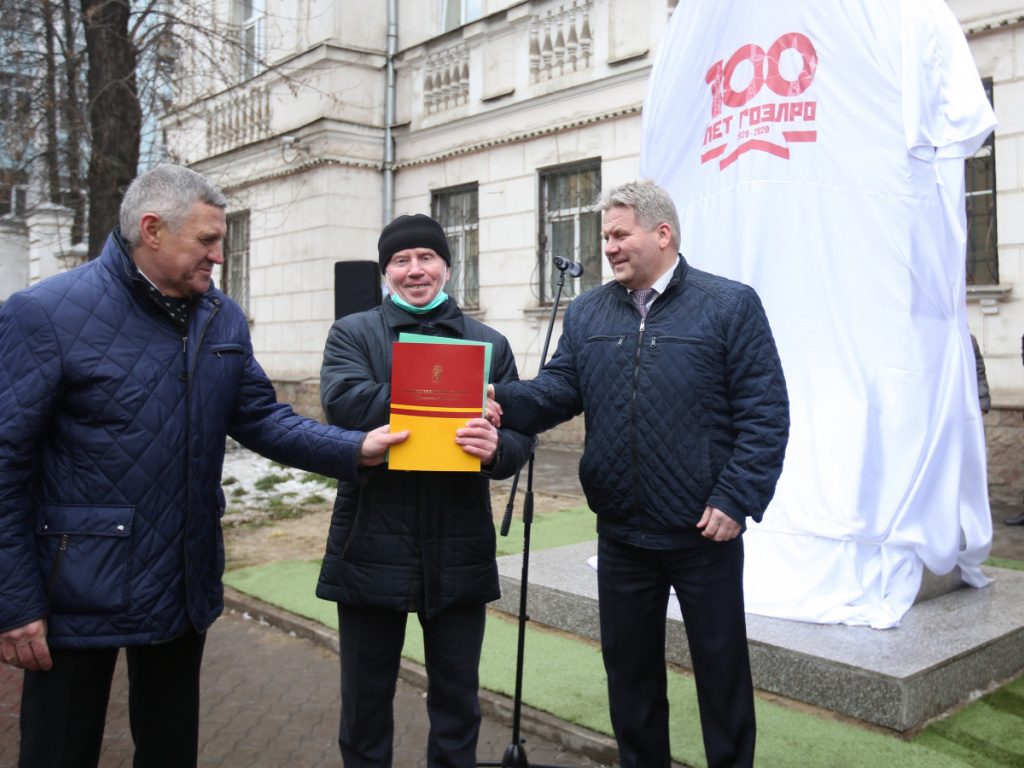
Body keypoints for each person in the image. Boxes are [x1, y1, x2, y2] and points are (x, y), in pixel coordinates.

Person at [0, 164, 406, 768]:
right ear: (152, 230)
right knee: (60, 751)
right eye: (207, 240)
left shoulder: (219, 315)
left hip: (179, 582)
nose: (219, 254)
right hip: (74, 592)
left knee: (170, 751)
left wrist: (354, 448)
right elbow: (6, 466)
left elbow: (263, 418)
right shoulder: (47, 314)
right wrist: (15, 602)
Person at [487, 181, 789, 768]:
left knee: (721, 677)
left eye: (620, 234)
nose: (610, 247)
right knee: (631, 683)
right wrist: (504, 396)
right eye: (606, 237)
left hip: (704, 532)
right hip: (622, 535)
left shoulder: (730, 304)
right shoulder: (588, 311)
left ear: (662, 233)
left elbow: (765, 413)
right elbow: (559, 390)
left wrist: (736, 498)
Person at [316, 213, 533, 768]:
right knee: (365, 706)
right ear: (386, 272)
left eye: (427, 258)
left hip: (458, 544)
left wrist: (499, 449)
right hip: (369, 542)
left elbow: (517, 437)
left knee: (458, 706)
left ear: (447, 265)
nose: (416, 271)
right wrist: (453, 396)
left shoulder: (491, 342)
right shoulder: (353, 333)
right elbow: (345, 403)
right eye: (401, 261)